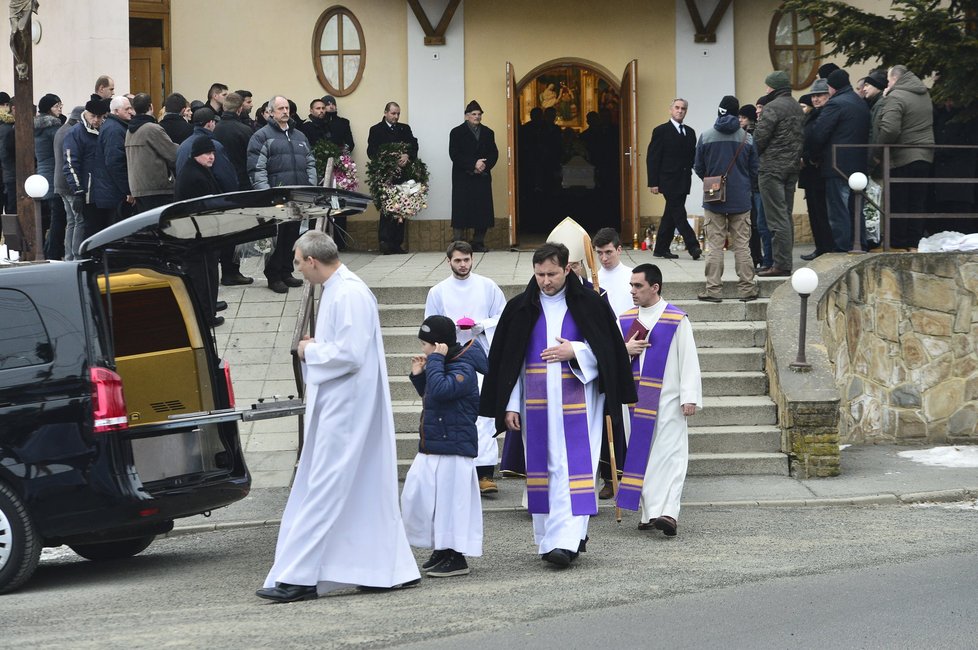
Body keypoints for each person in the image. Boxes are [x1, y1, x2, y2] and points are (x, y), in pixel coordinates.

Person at [257, 230, 420, 603]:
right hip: (342, 406)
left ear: (312, 261)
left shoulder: (348, 293)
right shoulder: (337, 289)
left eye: (297, 262)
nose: (297, 269)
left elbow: (349, 355)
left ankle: (300, 575)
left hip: (347, 411)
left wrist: (307, 351)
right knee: (364, 489)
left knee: (324, 489)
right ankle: (386, 569)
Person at [480, 242, 636, 568]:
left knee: (573, 471)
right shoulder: (520, 309)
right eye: (539, 274)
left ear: (567, 269)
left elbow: (610, 353)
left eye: (552, 273)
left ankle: (563, 542)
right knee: (544, 471)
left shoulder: (591, 304)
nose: (546, 281)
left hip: (582, 404)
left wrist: (577, 352)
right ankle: (556, 537)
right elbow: (511, 364)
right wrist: (510, 404)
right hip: (535, 407)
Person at [617, 263, 701, 536]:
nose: (632, 291)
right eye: (631, 285)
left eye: (638, 286)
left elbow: (688, 358)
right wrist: (624, 351)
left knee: (673, 457)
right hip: (635, 401)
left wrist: (689, 396)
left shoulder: (676, 319)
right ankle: (649, 513)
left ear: (655, 287)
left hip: (669, 400)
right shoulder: (626, 320)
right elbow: (613, 360)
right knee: (644, 456)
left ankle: (668, 514)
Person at [400, 315, 486, 578]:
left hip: (455, 447)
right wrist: (419, 377)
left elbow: (442, 391)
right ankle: (442, 546)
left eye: (426, 344)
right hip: (437, 444)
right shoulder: (448, 363)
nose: (422, 349)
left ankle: (455, 554)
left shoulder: (464, 368)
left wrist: (434, 361)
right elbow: (435, 399)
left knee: (452, 503)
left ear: (439, 345)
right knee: (422, 498)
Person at [424, 240, 506, 494]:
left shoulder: (487, 286)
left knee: (483, 415)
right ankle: (457, 473)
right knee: (455, 414)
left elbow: (502, 317)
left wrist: (480, 325)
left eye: (467, 259)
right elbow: (430, 324)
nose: (463, 264)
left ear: (473, 259)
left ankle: (484, 474)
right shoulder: (438, 291)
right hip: (449, 355)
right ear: (448, 261)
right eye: (457, 260)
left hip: (479, 353)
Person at [693, 94, 759, 303]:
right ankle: (747, 289)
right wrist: (743, 185)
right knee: (742, 245)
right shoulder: (747, 138)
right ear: (737, 113)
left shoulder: (706, 136)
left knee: (714, 246)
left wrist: (711, 181)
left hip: (714, 199)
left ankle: (713, 290)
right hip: (741, 198)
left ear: (720, 111)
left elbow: (699, 167)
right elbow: (754, 170)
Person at [247, 96, 317, 293]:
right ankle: (274, 275)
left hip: (297, 196)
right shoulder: (261, 136)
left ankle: (287, 271)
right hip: (275, 198)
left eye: (286, 108)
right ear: (270, 112)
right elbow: (257, 168)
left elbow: (310, 163)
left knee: (292, 236)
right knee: (276, 238)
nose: (285, 111)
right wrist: (265, 194)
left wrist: (310, 188)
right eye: (280, 108)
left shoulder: (300, 136)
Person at [808, 69, 871, 254]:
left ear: (832, 87)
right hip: (859, 165)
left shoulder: (835, 104)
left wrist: (813, 155)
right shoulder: (860, 103)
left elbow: (819, 133)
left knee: (838, 209)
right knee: (855, 208)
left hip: (837, 166)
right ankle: (859, 245)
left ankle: (842, 249)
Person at [872, 65, 934, 250]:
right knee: (917, 201)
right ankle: (913, 243)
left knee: (898, 202)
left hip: (902, 156)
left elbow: (890, 129)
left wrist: (877, 152)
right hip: (924, 154)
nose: (887, 84)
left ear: (895, 79)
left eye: (889, 80)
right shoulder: (923, 94)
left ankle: (897, 244)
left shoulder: (895, 96)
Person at [753, 71, 804, 277]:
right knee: (786, 215)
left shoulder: (772, 107)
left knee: (775, 218)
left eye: (767, 87)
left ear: (773, 88)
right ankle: (780, 260)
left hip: (772, 168)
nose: (766, 90)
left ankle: (781, 265)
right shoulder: (796, 107)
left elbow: (760, 138)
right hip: (792, 168)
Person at [173, 136, 225, 328]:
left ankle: (207, 310)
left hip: (199, 235)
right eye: (206, 153)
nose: (211, 157)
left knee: (206, 275)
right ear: (196, 154)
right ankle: (205, 317)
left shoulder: (197, 169)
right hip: (198, 237)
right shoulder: (195, 176)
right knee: (203, 277)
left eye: (212, 153)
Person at [647, 98, 701, 260]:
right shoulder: (661, 131)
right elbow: (653, 158)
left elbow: (692, 158)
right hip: (667, 180)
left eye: (683, 108)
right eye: (677, 108)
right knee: (679, 213)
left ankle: (661, 248)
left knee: (670, 214)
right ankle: (693, 246)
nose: (680, 111)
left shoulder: (690, 132)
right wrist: (653, 182)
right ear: (671, 110)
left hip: (684, 180)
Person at [367, 102, 419, 254]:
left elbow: (413, 145)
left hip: (403, 175)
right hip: (386, 176)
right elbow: (372, 151)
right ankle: (385, 242)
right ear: (385, 113)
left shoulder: (405, 128)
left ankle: (397, 243)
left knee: (401, 208)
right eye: (393, 113)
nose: (396, 117)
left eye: (398, 114)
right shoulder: (376, 130)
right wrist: (388, 159)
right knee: (387, 208)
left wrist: (407, 155)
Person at [449, 100, 498, 252]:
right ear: (466, 116)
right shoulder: (456, 132)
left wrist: (484, 165)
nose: (477, 117)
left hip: (481, 176)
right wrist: (473, 164)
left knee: (482, 210)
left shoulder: (488, 132)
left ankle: (478, 242)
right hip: (463, 177)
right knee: (461, 209)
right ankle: (458, 242)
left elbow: (494, 153)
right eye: (473, 114)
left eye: (479, 114)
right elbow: (454, 154)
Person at [798, 79, 836, 260]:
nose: (816, 99)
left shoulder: (826, 114)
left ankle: (827, 247)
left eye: (820, 95)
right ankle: (820, 247)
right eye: (814, 96)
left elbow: (822, 140)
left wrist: (809, 157)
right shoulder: (812, 115)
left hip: (819, 169)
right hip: (809, 171)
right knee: (814, 212)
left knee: (822, 212)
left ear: (828, 95)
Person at [125, 93, 179, 213]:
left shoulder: (129, 131)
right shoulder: (152, 129)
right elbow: (173, 154)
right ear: (151, 106)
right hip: (157, 188)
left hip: (137, 188)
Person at [91, 95, 135, 229]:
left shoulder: (115, 126)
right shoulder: (114, 130)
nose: (131, 112)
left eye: (131, 108)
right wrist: (128, 190)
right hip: (114, 192)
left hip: (110, 190)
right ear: (116, 111)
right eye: (127, 109)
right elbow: (115, 162)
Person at [34, 94, 66, 259]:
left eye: (61, 104)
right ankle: (52, 253)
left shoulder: (37, 128)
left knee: (48, 220)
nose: (60, 108)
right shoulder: (53, 129)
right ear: (48, 109)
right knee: (58, 220)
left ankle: (45, 251)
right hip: (54, 177)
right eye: (56, 106)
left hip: (42, 177)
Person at [55, 106, 83, 260]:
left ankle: (68, 256)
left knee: (71, 221)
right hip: (69, 183)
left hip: (59, 182)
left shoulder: (61, 130)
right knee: (79, 220)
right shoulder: (71, 132)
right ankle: (74, 256)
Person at [593, 227, 633, 317]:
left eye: (608, 252)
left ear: (619, 250)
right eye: (599, 253)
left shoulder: (633, 276)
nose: (604, 258)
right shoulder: (592, 281)